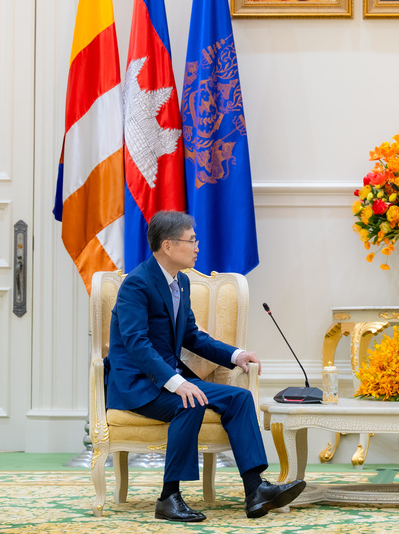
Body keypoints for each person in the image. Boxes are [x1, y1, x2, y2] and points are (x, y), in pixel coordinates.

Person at [106, 210, 305, 521]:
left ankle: (255, 490)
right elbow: (136, 344)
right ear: (169, 246)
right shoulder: (136, 285)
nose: (198, 246)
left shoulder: (180, 283)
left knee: (239, 398)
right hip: (138, 384)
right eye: (192, 240)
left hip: (168, 381)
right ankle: (169, 497)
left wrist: (235, 355)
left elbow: (191, 337)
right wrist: (175, 382)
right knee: (190, 402)